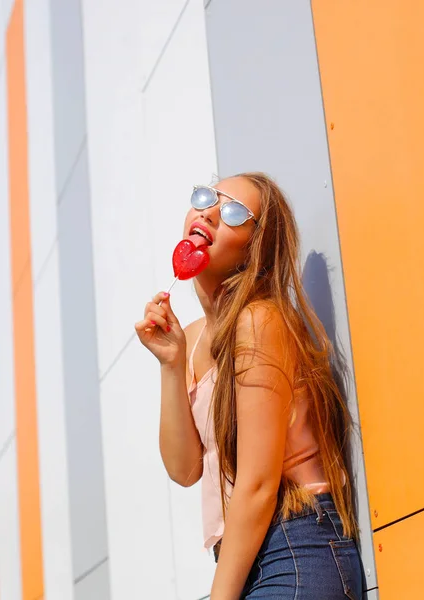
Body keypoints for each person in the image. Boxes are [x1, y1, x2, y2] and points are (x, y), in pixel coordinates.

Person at [135, 173, 363, 599]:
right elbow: (184, 469)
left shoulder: (259, 322)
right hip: (247, 556)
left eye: (234, 212)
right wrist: (171, 363)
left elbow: (258, 486)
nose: (210, 212)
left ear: (255, 249)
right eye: (205, 196)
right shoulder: (196, 337)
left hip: (295, 545)